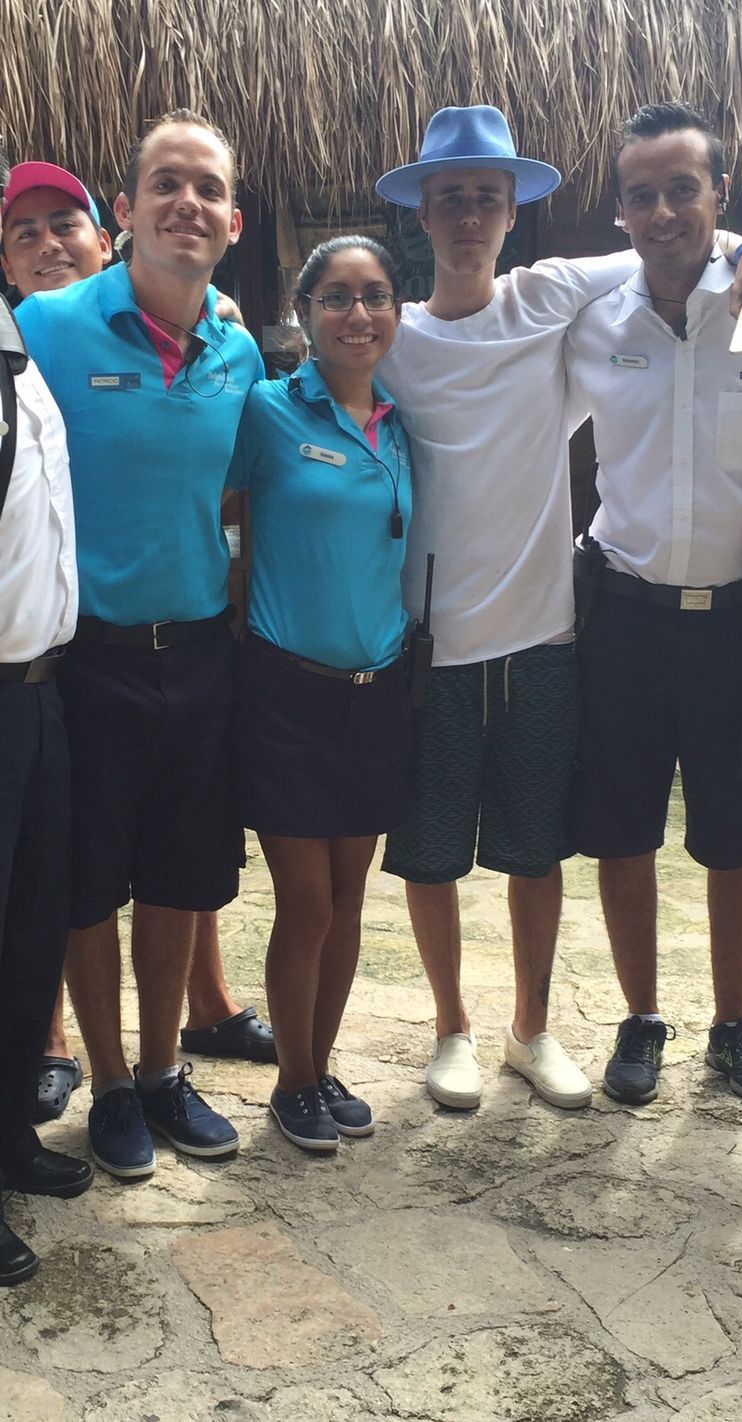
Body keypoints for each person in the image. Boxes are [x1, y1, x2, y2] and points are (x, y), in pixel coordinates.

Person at [373, 105, 742, 1112]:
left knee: (539, 849)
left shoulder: (553, 295)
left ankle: (532, 1028)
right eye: (449, 198)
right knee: (432, 854)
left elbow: (675, 234)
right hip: (429, 641)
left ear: (511, 212)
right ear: (421, 214)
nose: (467, 216)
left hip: (545, 634)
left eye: (485, 198)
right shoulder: (391, 337)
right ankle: (450, 1028)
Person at [565, 102, 742, 1108]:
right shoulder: (593, 321)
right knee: (623, 830)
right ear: (620, 209)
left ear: (720, 195)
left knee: (734, 833)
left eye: (683, 189)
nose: (662, 212)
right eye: (641, 194)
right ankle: (641, 1019)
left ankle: (732, 1023)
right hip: (625, 612)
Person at [14, 111, 264, 1179]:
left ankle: (163, 1070)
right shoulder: (48, 326)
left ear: (234, 222)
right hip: (90, 659)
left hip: (200, 651)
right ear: (124, 212)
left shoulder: (239, 351)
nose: (186, 203)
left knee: (179, 878)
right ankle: (110, 1082)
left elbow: (237, 497)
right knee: (89, 885)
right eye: (165, 183)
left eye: (207, 188)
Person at [230, 236, 412, 1150]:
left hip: (378, 692)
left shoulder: (404, 424)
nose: (357, 314)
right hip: (286, 691)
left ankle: (321, 1063)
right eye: (336, 297)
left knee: (348, 895)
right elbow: (216, 513)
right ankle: (291, 1082)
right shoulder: (266, 411)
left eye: (374, 295)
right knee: (305, 899)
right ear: (304, 313)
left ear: (396, 311)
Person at [0, 142, 93, 1286]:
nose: (43, 245)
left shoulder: (32, 364)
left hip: (41, 689)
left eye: (60, 224)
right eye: (19, 229)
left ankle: (9, 1137)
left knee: (30, 935)